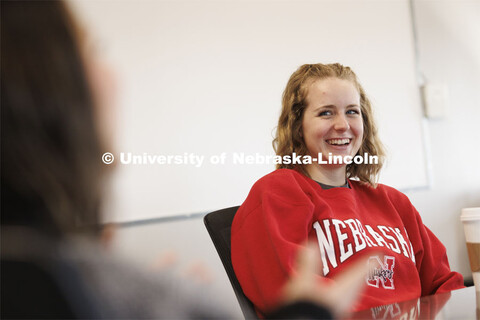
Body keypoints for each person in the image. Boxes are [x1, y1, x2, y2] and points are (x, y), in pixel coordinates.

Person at [1, 2, 371, 319]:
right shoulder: (56, 282)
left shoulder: (86, 279)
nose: (111, 74)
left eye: (352, 111)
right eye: (91, 50)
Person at [231, 63, 465, 317]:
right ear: (298, 126)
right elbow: (294, 302)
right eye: (326, 113)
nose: (343, 125)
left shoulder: (394, 202)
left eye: (352, 112)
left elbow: (445, 286)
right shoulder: (277, 191)